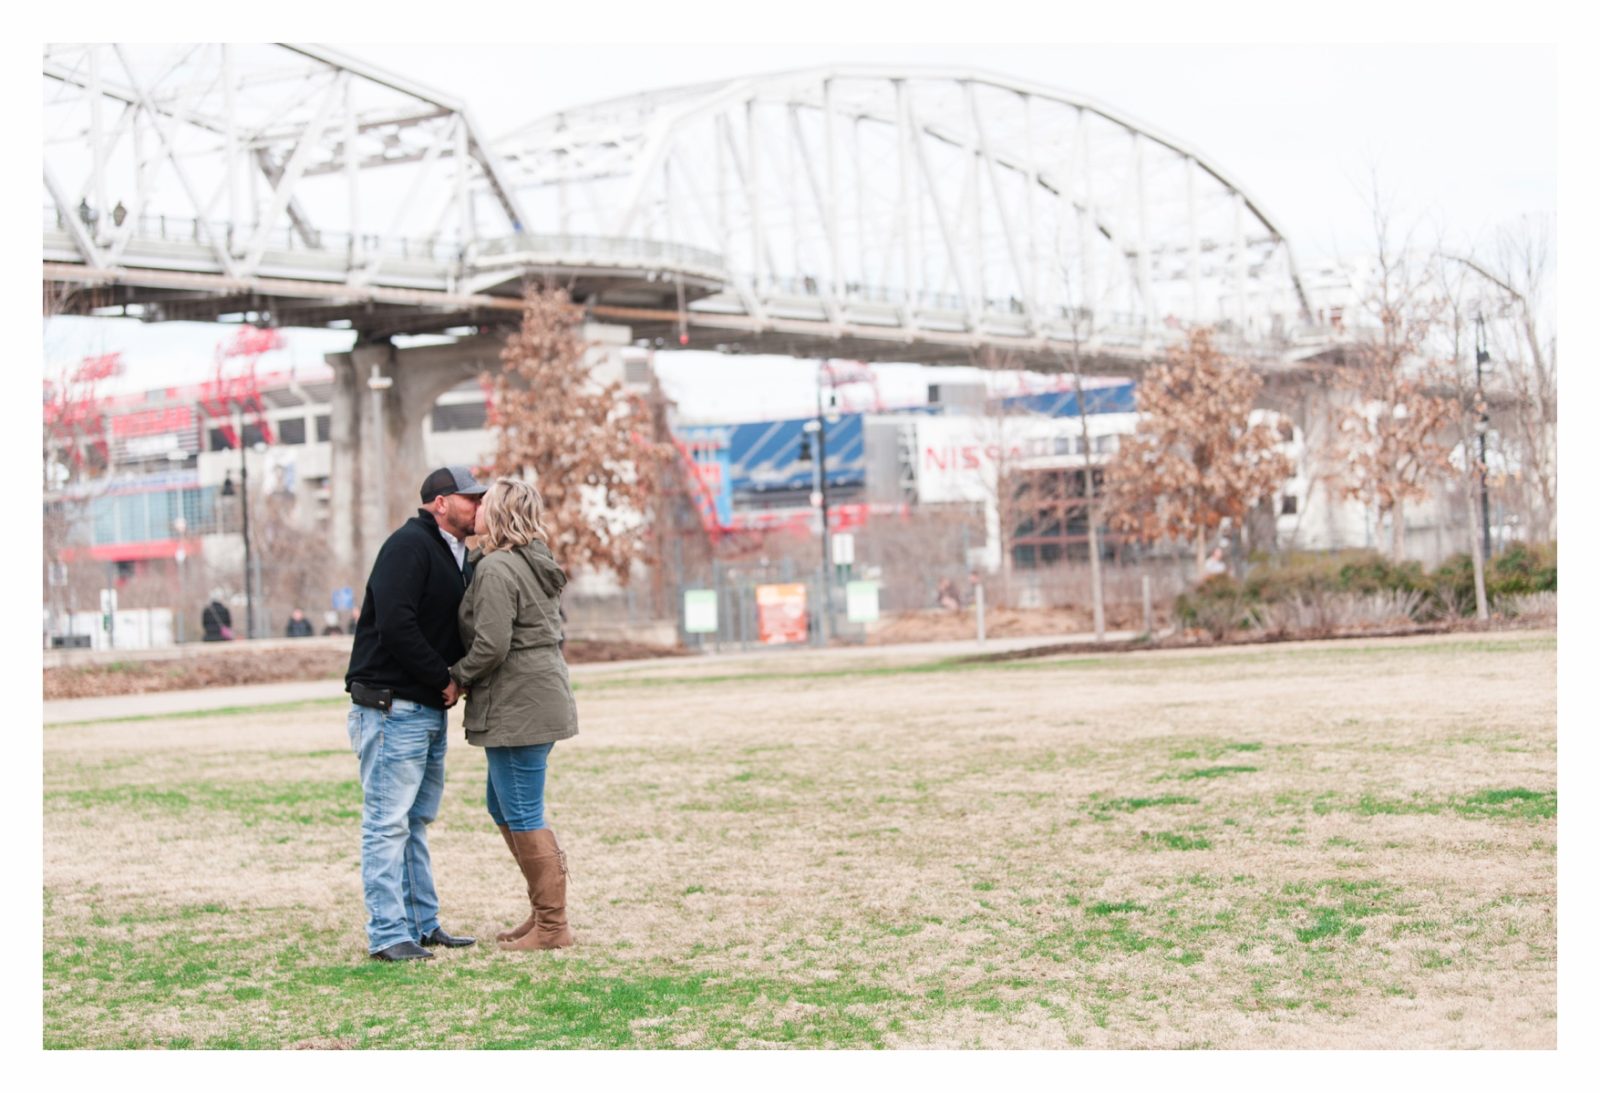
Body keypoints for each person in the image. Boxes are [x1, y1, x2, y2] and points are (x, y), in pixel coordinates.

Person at [343, 466, 487, 962]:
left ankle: (423, 924)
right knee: (387, 824)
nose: (479, 506)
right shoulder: (408, 545)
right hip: (391, 707)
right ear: (441, 503)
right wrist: (443, 678)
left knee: (414, 822)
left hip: (422, 709)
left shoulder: (457, 554)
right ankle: (387, 934)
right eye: (471, 498)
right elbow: (396, 625)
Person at [449, 477, 578, 951]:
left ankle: (553, 925)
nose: (476, 508)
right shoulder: (527, 559)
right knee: (503, 805)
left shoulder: (500, 568)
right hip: (532, 695)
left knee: (522, 810)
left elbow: (492, 643)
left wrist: (457, 676)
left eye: (485, 503)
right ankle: (542, 913)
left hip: (519, 701)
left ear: (500, 513)